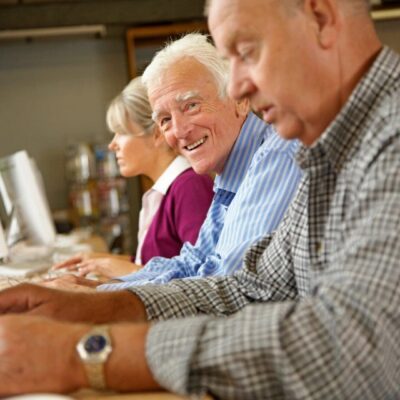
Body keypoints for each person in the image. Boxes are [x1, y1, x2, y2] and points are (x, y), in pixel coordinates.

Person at [1, 0, 398, 398]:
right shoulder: (329, 153)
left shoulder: (389, 141)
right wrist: (88, 309)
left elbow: (349, 351)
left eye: (246, 53)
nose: (238, 87)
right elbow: (252, 288)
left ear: (321, 17)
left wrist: (85, 354)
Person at [48, 33, 301, 291]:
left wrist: (103, 294)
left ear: (240, 100)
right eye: (165, 119)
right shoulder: (228, 175)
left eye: (191, 106)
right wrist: (99, 289)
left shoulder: (273, 156)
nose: (179, 131)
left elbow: (227, 285)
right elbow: (193, 263)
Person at [51, 76, 214, 284]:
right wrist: (101, 261)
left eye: (120, 133)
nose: (112, 145)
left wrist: (121, 269)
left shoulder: (189, 187)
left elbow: (203, 277)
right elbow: (157, 260)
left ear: (157, 134)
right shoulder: (167, 190)